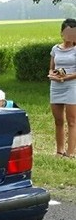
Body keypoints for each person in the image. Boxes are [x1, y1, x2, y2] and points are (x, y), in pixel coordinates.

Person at [48, 18, 76, 157]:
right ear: (62, 33)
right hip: (56, 86)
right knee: (58, 120)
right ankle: (60, 150)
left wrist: (65, 77)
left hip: (71, 86)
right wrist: (53, 75)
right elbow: (51, 68)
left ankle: (70, 152)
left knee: (72, 120)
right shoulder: (55, 49)